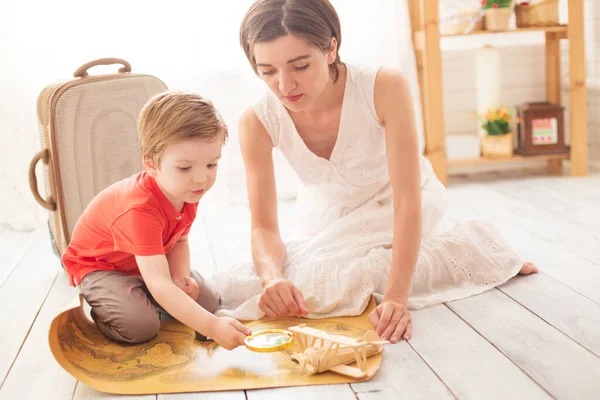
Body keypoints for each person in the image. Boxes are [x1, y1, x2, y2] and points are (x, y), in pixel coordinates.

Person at [214, 0, 538, 344]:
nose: (285, 85)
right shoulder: (257, 120)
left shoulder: (383, 87)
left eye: (300, 65)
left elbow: (408, 198)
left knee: (349, 279)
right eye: (268, 71)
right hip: (329, 218)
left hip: (397, 204)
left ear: (331, 47)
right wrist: (272, 279)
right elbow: (263, 226)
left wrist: (398, 299)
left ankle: (476, 246)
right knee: (243, 284)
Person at [62, 92, 251, 349]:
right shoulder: (140, 209)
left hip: (149, 264)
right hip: (104, 268)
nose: (201, 179)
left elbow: (180, 238)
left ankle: (150, 297)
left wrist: (181, 277)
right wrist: (211, 326)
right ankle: (109, 302)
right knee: (140, 327)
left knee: (208, 300)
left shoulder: (186, 190)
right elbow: (160, 283)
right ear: (152, 165)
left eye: (211, 164)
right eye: (185, 168)